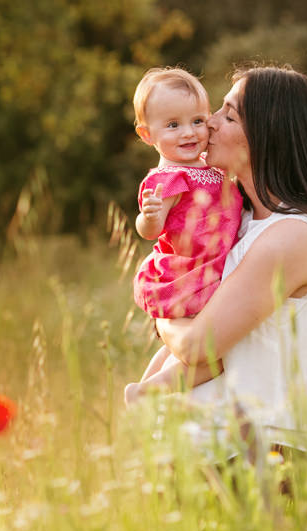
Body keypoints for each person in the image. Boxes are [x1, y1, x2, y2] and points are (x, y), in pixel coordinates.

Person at [142, 65, 307, 463]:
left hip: (263, 457)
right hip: (214, 453)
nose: (207, 124)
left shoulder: (294, 235)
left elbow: (198, 345)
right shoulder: (240, 223)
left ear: (264, 137)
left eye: (227, 115)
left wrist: (157, 308)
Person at [123, 68, 244, 408]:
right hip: (193, 274)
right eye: (173, 125)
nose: (188, 133)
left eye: (198, 121)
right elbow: (150, 231)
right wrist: (148, 217)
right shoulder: (167, 179)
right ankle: (145, 394)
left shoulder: (209, 166)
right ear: (147, 134)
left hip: (212, 267)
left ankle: (146, 392)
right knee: (215, 354)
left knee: (177, 349)